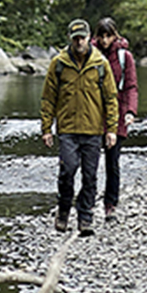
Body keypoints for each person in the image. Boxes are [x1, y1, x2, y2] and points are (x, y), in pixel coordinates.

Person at [41, 18, 118, 236]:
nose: (79, 42)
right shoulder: (58, 64)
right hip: (67, 130)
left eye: (82, 38)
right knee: (67, 171)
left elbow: (111, 99)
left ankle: (85, 218)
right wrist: (47, 129)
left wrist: (111, 129)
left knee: (90, 176)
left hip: (93, 131)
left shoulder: (100, 64)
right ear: (70, 39)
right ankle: (64, 211)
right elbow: (48, 99)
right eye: (75, 38)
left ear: (88, 38)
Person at [92, 17, 138, 223]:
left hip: (117, 114)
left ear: (114, 35)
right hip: (92, 113)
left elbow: (130, 86)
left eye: (108, 36)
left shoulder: (124, 57)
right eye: (101, 36)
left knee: (112, 162)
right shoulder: (89, 54)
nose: (104, 40)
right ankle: (87, 204)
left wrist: (130, 111)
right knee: (89, 162)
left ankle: (110, 205)